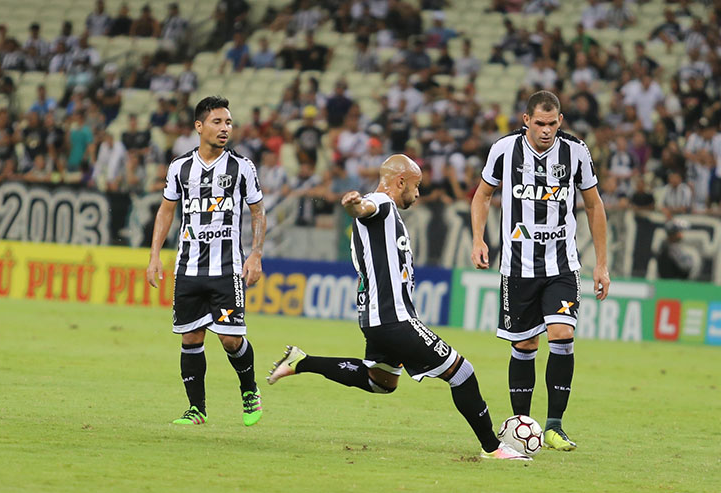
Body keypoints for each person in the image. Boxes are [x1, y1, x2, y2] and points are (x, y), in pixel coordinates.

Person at [268, 154, 530, 461]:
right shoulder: (380, 204)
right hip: (394, 319)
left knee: (380, 382)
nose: (418, 194)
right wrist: (353, 204)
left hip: (376, 319)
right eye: (416, 186)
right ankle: (493, 447)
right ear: (400, 181)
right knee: (462, 373)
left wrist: (357, 206)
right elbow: (363, 208)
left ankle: (302, 361)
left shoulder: (386, 213)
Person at [470, 90, 610, 452]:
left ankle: (554, 427)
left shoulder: (575, 151)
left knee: (562, 334)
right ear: (526, 120)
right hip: (517, 266)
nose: (546, 130)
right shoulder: (503, 150)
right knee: (526, 343)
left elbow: (594, 206)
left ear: (560, 121)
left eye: (553, 123)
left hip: (562, 263)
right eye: (540, 123)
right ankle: (521, 425)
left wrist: (602, 264)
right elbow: (482, 195)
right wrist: (478, 240)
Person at [146, 96, 266, 427]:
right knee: (191, 338)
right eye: (217, 122)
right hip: (188, 268)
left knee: (229, 338)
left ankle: (249, 390)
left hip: (226, 269)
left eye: (228, 122)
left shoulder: (242, 167)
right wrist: (155, 255)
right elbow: (166, 210)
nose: (225, 128)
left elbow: (257, 212)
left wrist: (255, 253)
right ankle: (196, 409)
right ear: (199, 127)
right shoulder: (179, 167)